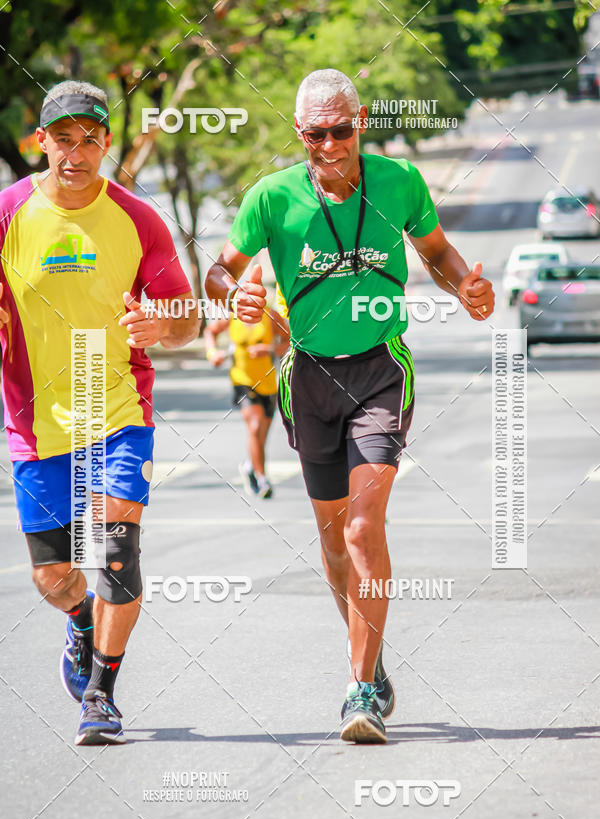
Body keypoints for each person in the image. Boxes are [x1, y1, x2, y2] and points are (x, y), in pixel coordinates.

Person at [205, 68, 495, 744]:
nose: (328, 145)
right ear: (299, 132)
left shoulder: (399, 185)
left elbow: (438, 254)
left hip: (379, 372)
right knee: (334, 542)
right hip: (306, 377)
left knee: (364, 530)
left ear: (360, 121)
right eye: (314, 135)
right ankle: (371, 656)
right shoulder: (271, 198)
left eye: (340, 130)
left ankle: (359, 690)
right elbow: (219, 268)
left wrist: (465, 290)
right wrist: (232, 293)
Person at [0, 80, 197, 745]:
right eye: (63, 139)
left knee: (115, 551)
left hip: (117, 409)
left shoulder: (139, 219)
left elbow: (188, 317)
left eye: (90, 140)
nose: (76, 154)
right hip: (37, 421)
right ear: (41, 142)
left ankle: (102, 693)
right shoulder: (8, 213)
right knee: (51, 574)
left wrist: (160, 324)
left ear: (107, 143)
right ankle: (80, 617)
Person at [204, 299, 289, 499]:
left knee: (261, 436)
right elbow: (210, 332)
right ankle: (262, 478)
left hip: (267, 383)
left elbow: (288, 341)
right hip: (242, 381)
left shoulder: (269, 315)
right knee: (254, 425)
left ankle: (250, 466)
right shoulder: (232, 316)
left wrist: (268, 350)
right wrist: (212, 353)